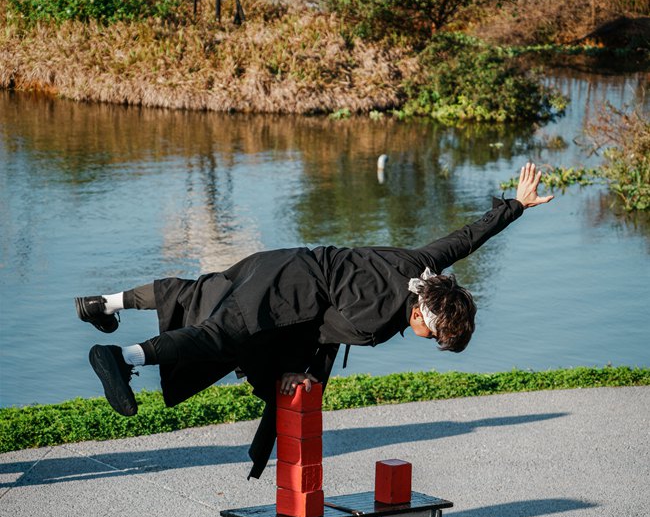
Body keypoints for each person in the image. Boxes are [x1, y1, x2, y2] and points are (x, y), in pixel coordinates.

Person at [77, 162, 552, 478]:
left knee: (197, 293)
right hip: (286, 291)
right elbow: (318, 325)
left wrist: (516, 206)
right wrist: (297, 365)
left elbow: (465, 239)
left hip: (281, 268)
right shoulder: (384, 306)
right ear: (423, 312)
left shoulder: (421, 266)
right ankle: (121, 357)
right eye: (434, 337)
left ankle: (104, 305)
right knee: (217, 338)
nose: (429, 341)